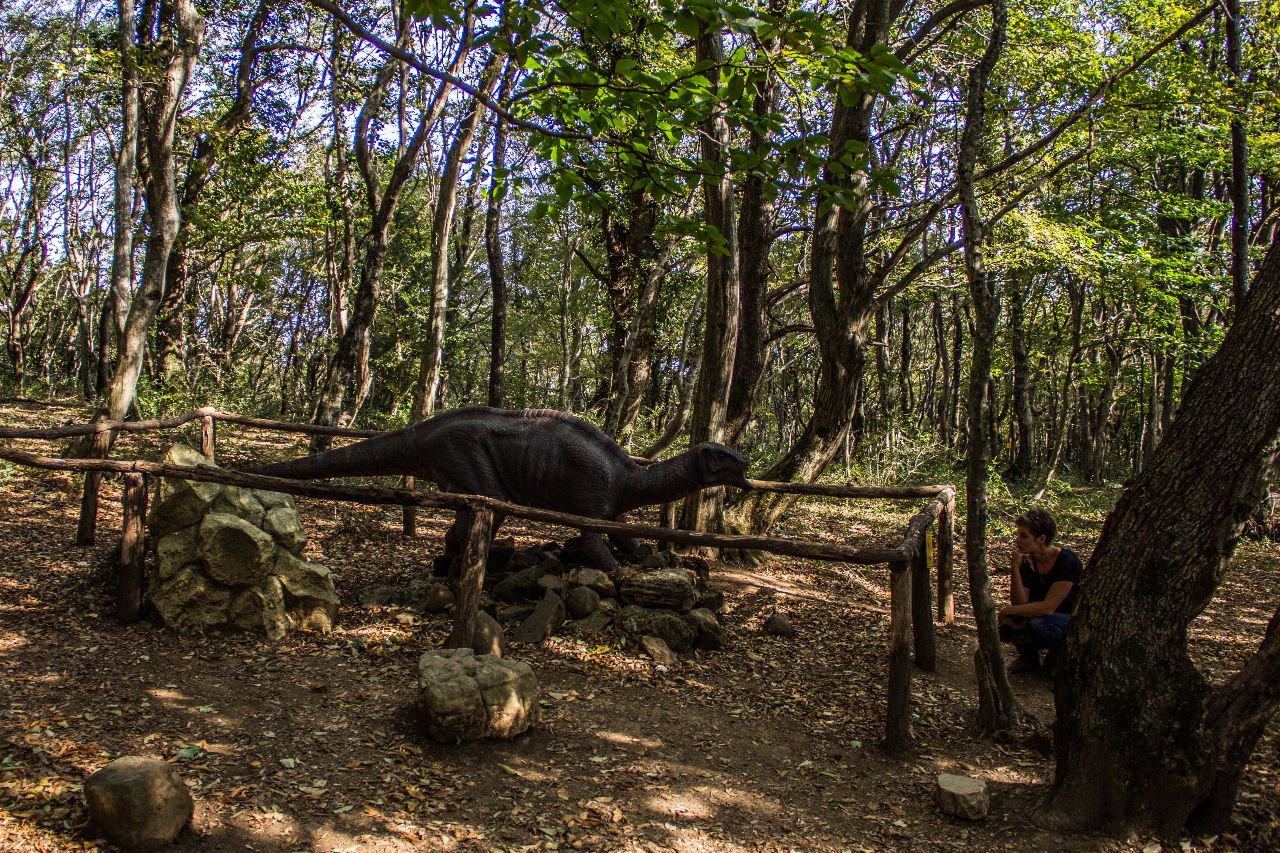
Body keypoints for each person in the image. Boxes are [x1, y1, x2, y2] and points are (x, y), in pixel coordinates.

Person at [997, 508, 1083, 674]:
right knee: (1013, 621)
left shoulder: (1067, 561)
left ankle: (1062, 657)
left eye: (1023, 536)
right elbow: (1020, 602)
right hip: (1041, 617)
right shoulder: (1027, 562)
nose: (1017, 540)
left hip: (1068, 619)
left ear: (1041, 538)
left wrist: (1008, 610)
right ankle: (1029, 658)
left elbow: (1048, 607)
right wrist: (1015, 568)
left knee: (1038, 623)